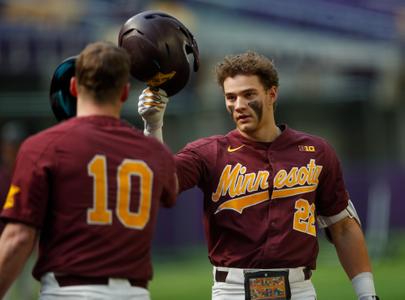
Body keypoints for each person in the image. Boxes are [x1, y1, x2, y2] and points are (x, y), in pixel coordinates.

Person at [138, 51, 379, 300]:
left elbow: (343, 226)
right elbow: (160, 186)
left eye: (248, 94)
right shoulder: (208, 152)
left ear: (272, 94)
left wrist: (367, 294)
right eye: (230, 97)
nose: (238, 105)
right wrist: (153, 127)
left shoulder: (316, 151)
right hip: (232, 290)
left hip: (299, 290)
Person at [0, 41, 177, 300]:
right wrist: (153, 127)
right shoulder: (154, 152)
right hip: (134, 293)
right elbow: (170, 190)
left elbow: (18, 237)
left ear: (73, 86)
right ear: (125, 92)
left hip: (69, 291)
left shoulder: (43, 146)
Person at [0, 121, 29, 233]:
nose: (11, 150)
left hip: (22, 236)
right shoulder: (2, 176)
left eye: (15, 145)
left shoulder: (28, 174)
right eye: (8, 145)